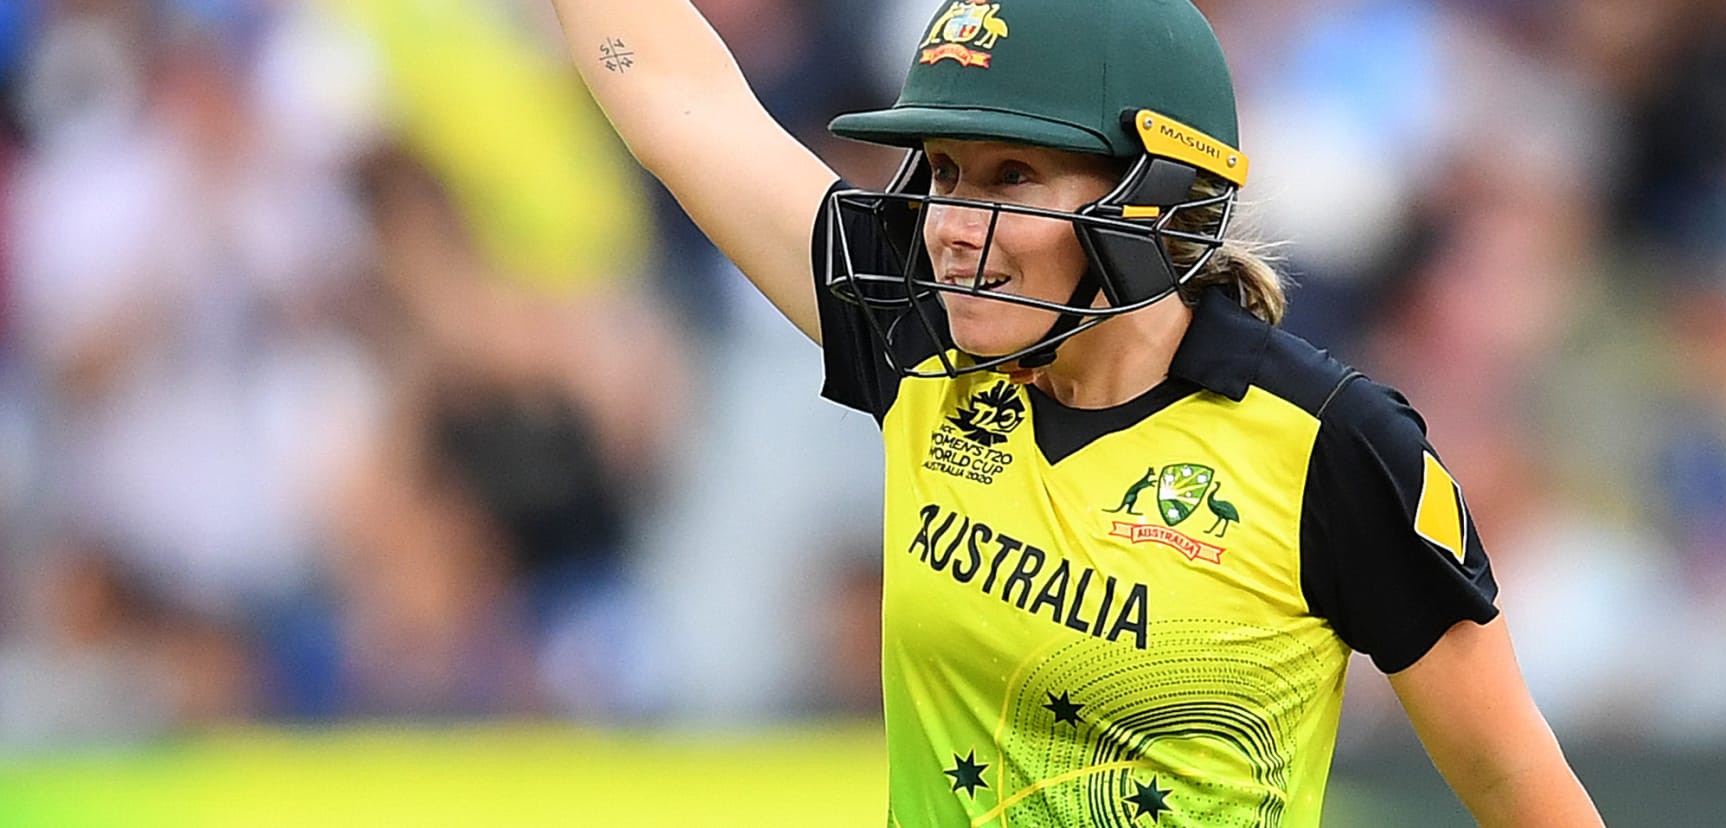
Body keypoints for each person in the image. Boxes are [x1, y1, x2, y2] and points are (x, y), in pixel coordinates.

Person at [548, 0, 1603, 823]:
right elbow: (683, 104)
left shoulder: (1331, 446)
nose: (955, 226)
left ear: (1153, 200)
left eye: (1012, 175)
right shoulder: (920, 333)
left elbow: (1515, 783)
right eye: (944, 172)